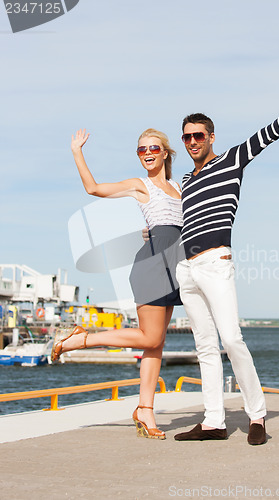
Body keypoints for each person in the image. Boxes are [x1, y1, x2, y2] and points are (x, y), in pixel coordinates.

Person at [173, 75, 279, 445]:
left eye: (198, 135)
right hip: (186, 269)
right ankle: (214, 421)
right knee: (204, 346)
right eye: (186, 137)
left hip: (216, 264)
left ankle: (257, 415)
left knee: (231, 339)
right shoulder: (186, 180)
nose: (191, 142)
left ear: (211, 137)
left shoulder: (232, 159)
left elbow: (270, 132)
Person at [52, 128, 184, 440]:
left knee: (156, 344)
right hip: (151, 265)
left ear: (166, 152)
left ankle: (145, 410)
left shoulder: (180, 187)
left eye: (153, 147)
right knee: (150, 338)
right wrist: (76, 151)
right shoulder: (141, 185)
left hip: (175, 267)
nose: (147, 153)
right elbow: (94, 189)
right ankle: (80, 340)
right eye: (141, 150)